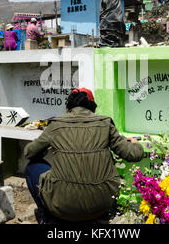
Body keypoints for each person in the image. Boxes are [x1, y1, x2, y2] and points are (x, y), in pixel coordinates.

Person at [24, 88, 144, 224]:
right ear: (92, 107)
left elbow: (29, 152)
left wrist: (46, 148)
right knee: (108, 158)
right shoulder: (105, 123)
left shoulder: (56, 124)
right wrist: (135, 144)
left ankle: (48, 219)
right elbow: (133, 154)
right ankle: (103, 215)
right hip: (101, 205)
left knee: (32, 167)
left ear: (68, 107)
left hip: (63, 206)